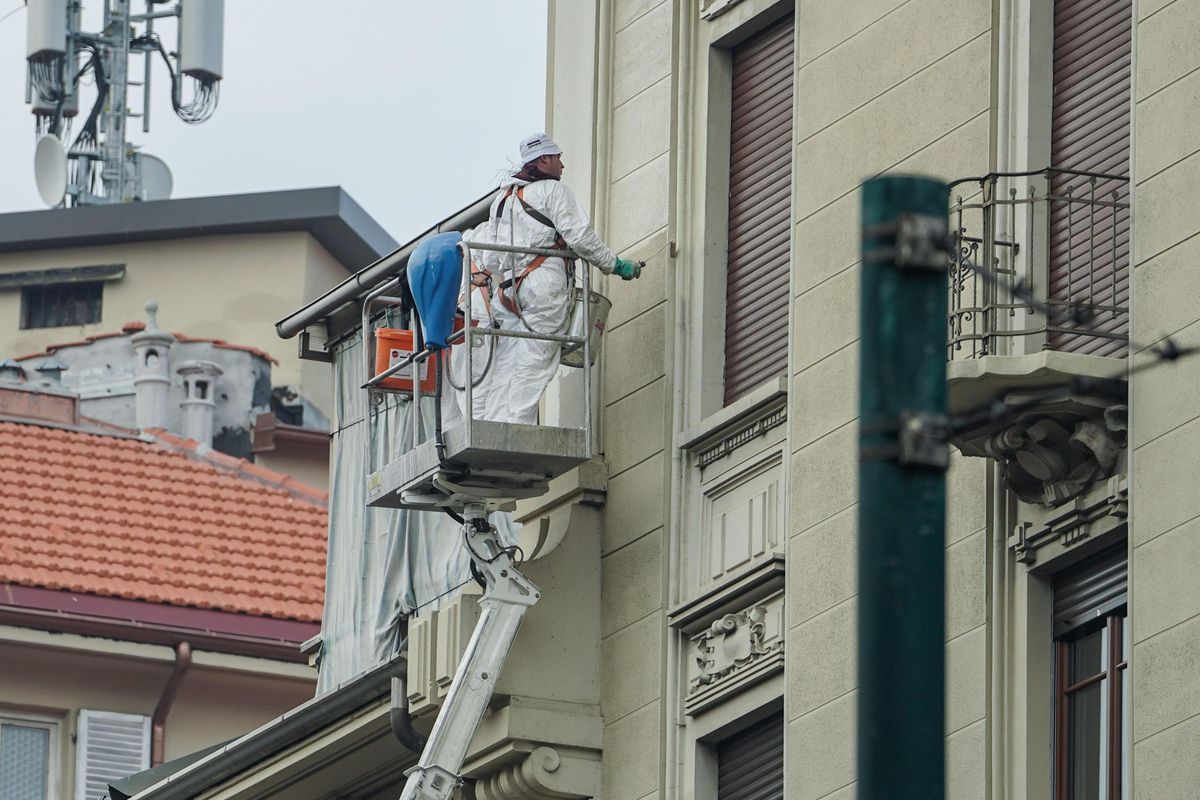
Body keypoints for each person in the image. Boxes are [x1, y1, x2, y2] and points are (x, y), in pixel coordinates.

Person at [477, 132, 642, 424]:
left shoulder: (501, 200)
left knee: (506, 365)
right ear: (543, 160)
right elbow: (579, 236)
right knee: (534, 362)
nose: (562, 165)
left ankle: (491, 426)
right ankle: (516, 432)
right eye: (558, 158)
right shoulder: (553, 192)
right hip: (544, 289)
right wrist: (615, 265)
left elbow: (490, 260)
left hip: (507, 291)